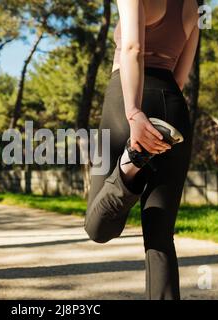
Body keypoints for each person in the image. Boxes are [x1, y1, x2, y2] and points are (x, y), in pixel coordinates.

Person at [84, 0, 200, 300]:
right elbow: (180, 76)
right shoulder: (192, 7)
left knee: (97, 229)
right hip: (172, 106)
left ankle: (129, 165)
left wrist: (134, 112)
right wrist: (159, 107)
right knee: (160, 237)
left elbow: (132, 48)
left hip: (123, 102)